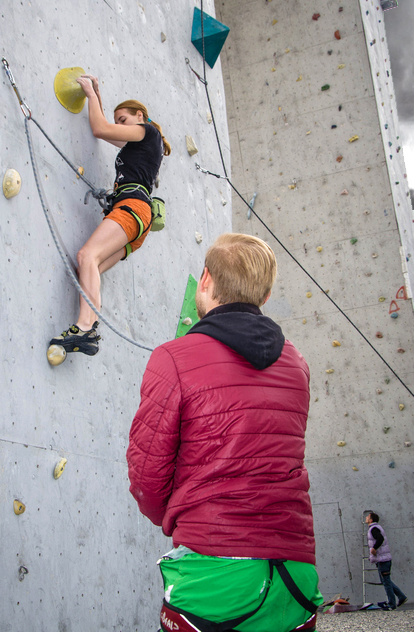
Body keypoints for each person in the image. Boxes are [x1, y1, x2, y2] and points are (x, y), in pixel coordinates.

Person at [127, 233, 323, 632]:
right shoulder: (296, 364)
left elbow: (147, 476)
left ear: (205, 280)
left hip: (216, 572)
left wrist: (189, 518)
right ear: (264, 297)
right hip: (295, 572)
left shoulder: (173, 357)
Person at [48, 75, 171, 358]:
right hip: (137, 218)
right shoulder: (138, 145)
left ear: (140, 116)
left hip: (132, 208)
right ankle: (87, 331)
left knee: (86, 256)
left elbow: (100, 128)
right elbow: (105, 128)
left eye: (123, 119)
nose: (120, 125)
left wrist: (90, 93)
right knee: (91, 269)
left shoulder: (147, 131)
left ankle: (84, 327)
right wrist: (98, 96)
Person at [365, 511, 407, 610]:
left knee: (386, 582)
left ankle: (391, 604)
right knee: (385, 581)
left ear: (371, 520)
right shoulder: (375, 528)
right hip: (383, 559)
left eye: (367, 517)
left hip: (383, 560)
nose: (366, 518)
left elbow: (380, 538)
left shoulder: (374, 528)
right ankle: (401, 597)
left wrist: (374, 548)